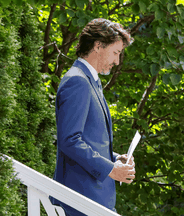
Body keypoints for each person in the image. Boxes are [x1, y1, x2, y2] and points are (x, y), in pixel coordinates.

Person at [50, 18, 136, 216]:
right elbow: (70, 141)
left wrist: (115, 159)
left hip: (95, 199)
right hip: (80, 199)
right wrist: (111, 169)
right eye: (115, 53)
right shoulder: (78, 81)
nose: (117, 61)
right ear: (98, 46)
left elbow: (90, 140)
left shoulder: (90, 81)